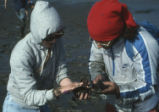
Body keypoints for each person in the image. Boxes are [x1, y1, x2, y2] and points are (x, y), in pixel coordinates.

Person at [2, 1, 83, 112]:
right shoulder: (21, 53)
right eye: (50, 37)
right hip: (19, 104)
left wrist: (72, 86)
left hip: (42, 100)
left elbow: (61, 72)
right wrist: (58, 91)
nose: (54, 40)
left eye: (59, 34)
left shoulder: (57, 42)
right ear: (39, 34)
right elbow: (29, 97)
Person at [87, 0, 159, 111]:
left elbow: (149, 86)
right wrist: (98, 76)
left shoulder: (144, 43)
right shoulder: (100, 37)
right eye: (95, 41)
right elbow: (96, 62)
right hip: (115, 103)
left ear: (117, 33)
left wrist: (118, 90)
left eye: (104, 43)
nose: (99, 46)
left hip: (143, 106)